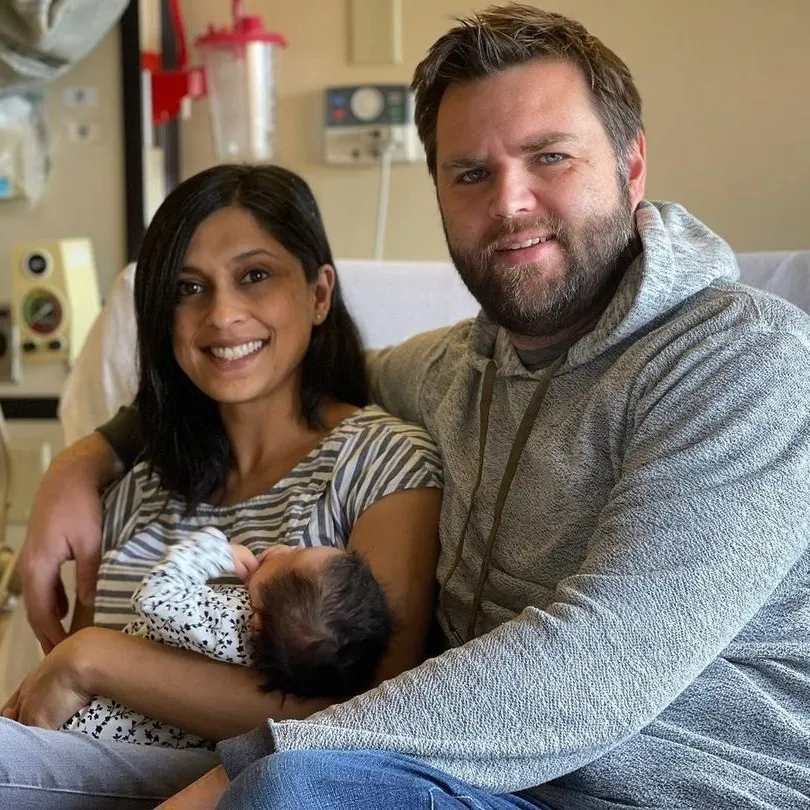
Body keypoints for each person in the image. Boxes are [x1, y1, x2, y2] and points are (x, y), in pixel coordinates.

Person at [11, 3, 810, 809]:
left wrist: (248, 764)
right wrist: (86, 459)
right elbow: (264, 367)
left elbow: (605, 659)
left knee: (294, 791)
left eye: (550, 157)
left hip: (689, 790)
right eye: (471, 174)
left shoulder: (743, 361)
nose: (511, 202)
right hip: (458, 784)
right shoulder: (451, 372)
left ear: (632, 164)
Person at [0, 162, 442, 807]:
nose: (222, 314)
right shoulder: (135, 486)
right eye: (187, 288)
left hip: (246, 783)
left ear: (319, 293)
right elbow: (55, 701)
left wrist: (95, 659)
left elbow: (367, 718)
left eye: (255, 276)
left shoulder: (385, 464)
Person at [61, 527, 393, 748]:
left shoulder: (230, 616)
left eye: (292, 557)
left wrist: (213, 549)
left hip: (92, 717)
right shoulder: (281, 673)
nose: (287, 547)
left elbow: (154, 598)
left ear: (258, 624)